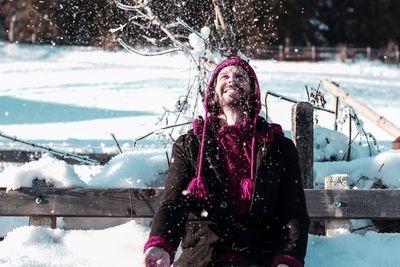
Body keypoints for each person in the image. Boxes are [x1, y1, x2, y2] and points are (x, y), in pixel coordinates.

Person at [143, 56, 310, 267]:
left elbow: (293, 213)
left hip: (258, 258)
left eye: (240, 76)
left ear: (253, 91)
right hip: (203, 257)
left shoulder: (279, 148)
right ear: (213, 92)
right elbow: (174, 203)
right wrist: (161, 244)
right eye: (224, 76)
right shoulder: (190, 145)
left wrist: (287, 259)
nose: (232, 80)